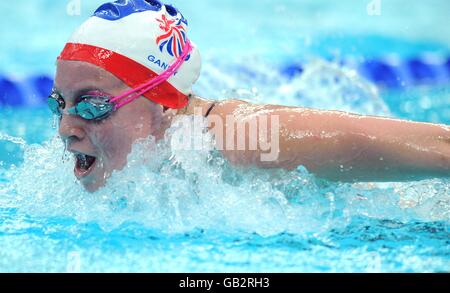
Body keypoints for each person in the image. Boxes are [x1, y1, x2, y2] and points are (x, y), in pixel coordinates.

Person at [49, 0, 450, 192]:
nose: (67, 128)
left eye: (93, 104)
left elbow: (434, 146)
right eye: (60, 104)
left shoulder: (236, 138)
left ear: (163, 97)